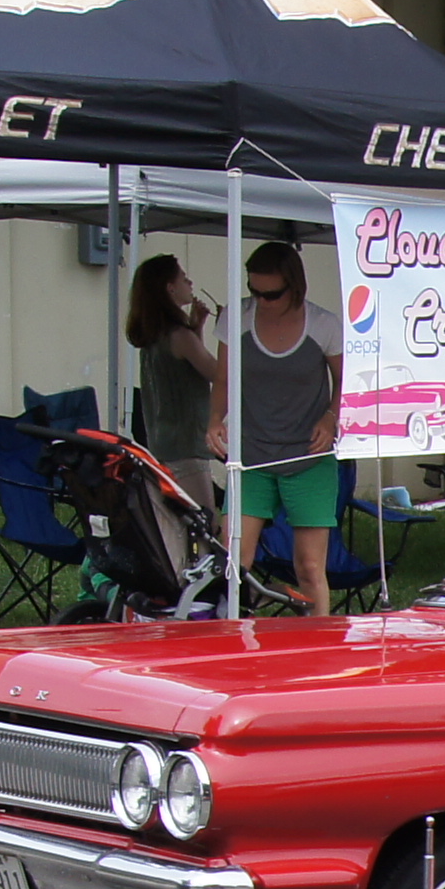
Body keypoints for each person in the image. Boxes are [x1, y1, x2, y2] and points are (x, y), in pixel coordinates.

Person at [225, 239, 342, 615]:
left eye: (271, 294)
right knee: (231, 562)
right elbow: (222, 378)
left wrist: (331, 416)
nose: (261, 301)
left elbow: (347, 382)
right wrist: (214, 421)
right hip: (252, 454)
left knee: (309, 567)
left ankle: (320, 649)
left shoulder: (323, 324)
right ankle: (231, 642)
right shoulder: (237, 318)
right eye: (254, 292)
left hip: (309, 456)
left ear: (295, 287)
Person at [121, 254, 218, 477]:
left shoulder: (155, 333)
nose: (190, 283)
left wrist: (197, 329)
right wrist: (227, 332)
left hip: (162, 442)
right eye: (183, 278)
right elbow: (216, 372)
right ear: (170, 288)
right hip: (186, 446)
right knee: (202, 512)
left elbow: (189, 371)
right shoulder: (179, 336)